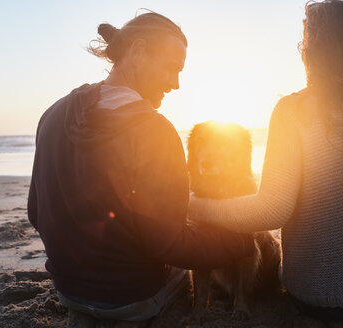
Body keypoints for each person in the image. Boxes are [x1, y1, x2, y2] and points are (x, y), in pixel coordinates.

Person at [188, 0, 343, 326]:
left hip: (329, 299)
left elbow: (271, 211)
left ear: (312, 50)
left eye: (305, 41)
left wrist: (197, 207)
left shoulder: (294, 110)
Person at [27, 11, 253, 326]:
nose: (176, 84)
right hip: (130, 298)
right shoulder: (155, 131)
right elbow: (169, 245)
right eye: (172, 68)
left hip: (68, 291)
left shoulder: (53, 113)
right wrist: (239, 243)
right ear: (137, 51)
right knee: (181, 266)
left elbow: (35, 213)